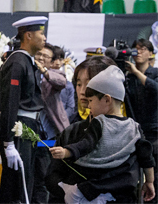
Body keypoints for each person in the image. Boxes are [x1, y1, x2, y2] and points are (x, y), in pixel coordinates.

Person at [49, 66, 156, 203]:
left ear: (107, 99)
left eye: (91, 101)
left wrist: (67, 152)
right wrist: (150, 182)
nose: (88, 106)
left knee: (72, 195)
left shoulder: (99, 122)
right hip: (120, 193)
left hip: (88, 180)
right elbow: (146, 157)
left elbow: (86, 144)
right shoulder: (134, 127)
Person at [0, 16, 47, 203]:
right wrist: (9, 142)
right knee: (19, 188)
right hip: (19, 129)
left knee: (28, 183)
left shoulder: (26, 61)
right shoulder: (17, 62)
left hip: (28, 127)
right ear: (28, 35)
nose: (44, 38)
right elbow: (10, 102)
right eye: (41, 33)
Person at [32, 43, 73, 204]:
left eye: (45, 56)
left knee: (45, 177)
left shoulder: (54, 74)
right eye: (39, 54)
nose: (41, 58)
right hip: (30, 131)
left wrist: (44, 71)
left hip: (50, 133)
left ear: (51, 61)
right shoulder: (28, 71)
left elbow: (61, 82)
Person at [126, 38, 158, 202]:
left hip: (153, 132)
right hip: (133, 131)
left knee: (154, 175)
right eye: (135, 49)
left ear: (151, 53)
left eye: (143, 49)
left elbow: (155, 89)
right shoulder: (128, 77)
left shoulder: (155, 73)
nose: (138, 52)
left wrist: (136, 72)